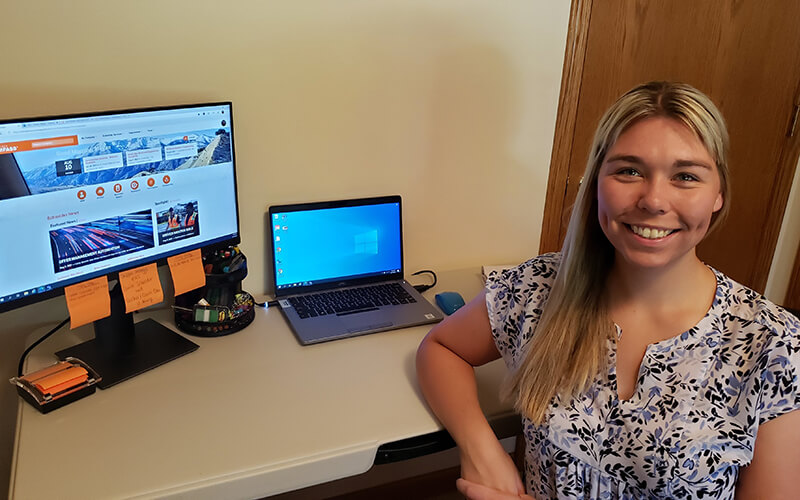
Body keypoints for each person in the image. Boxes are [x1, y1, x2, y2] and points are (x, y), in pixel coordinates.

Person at [416, 81, 800, 499]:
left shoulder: (773, 347)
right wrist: (482, 449)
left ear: (718, 194)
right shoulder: (540, 289)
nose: (654, 200)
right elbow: (441, 349)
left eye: (686, 176)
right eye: (629, 170)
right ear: (597, 179)